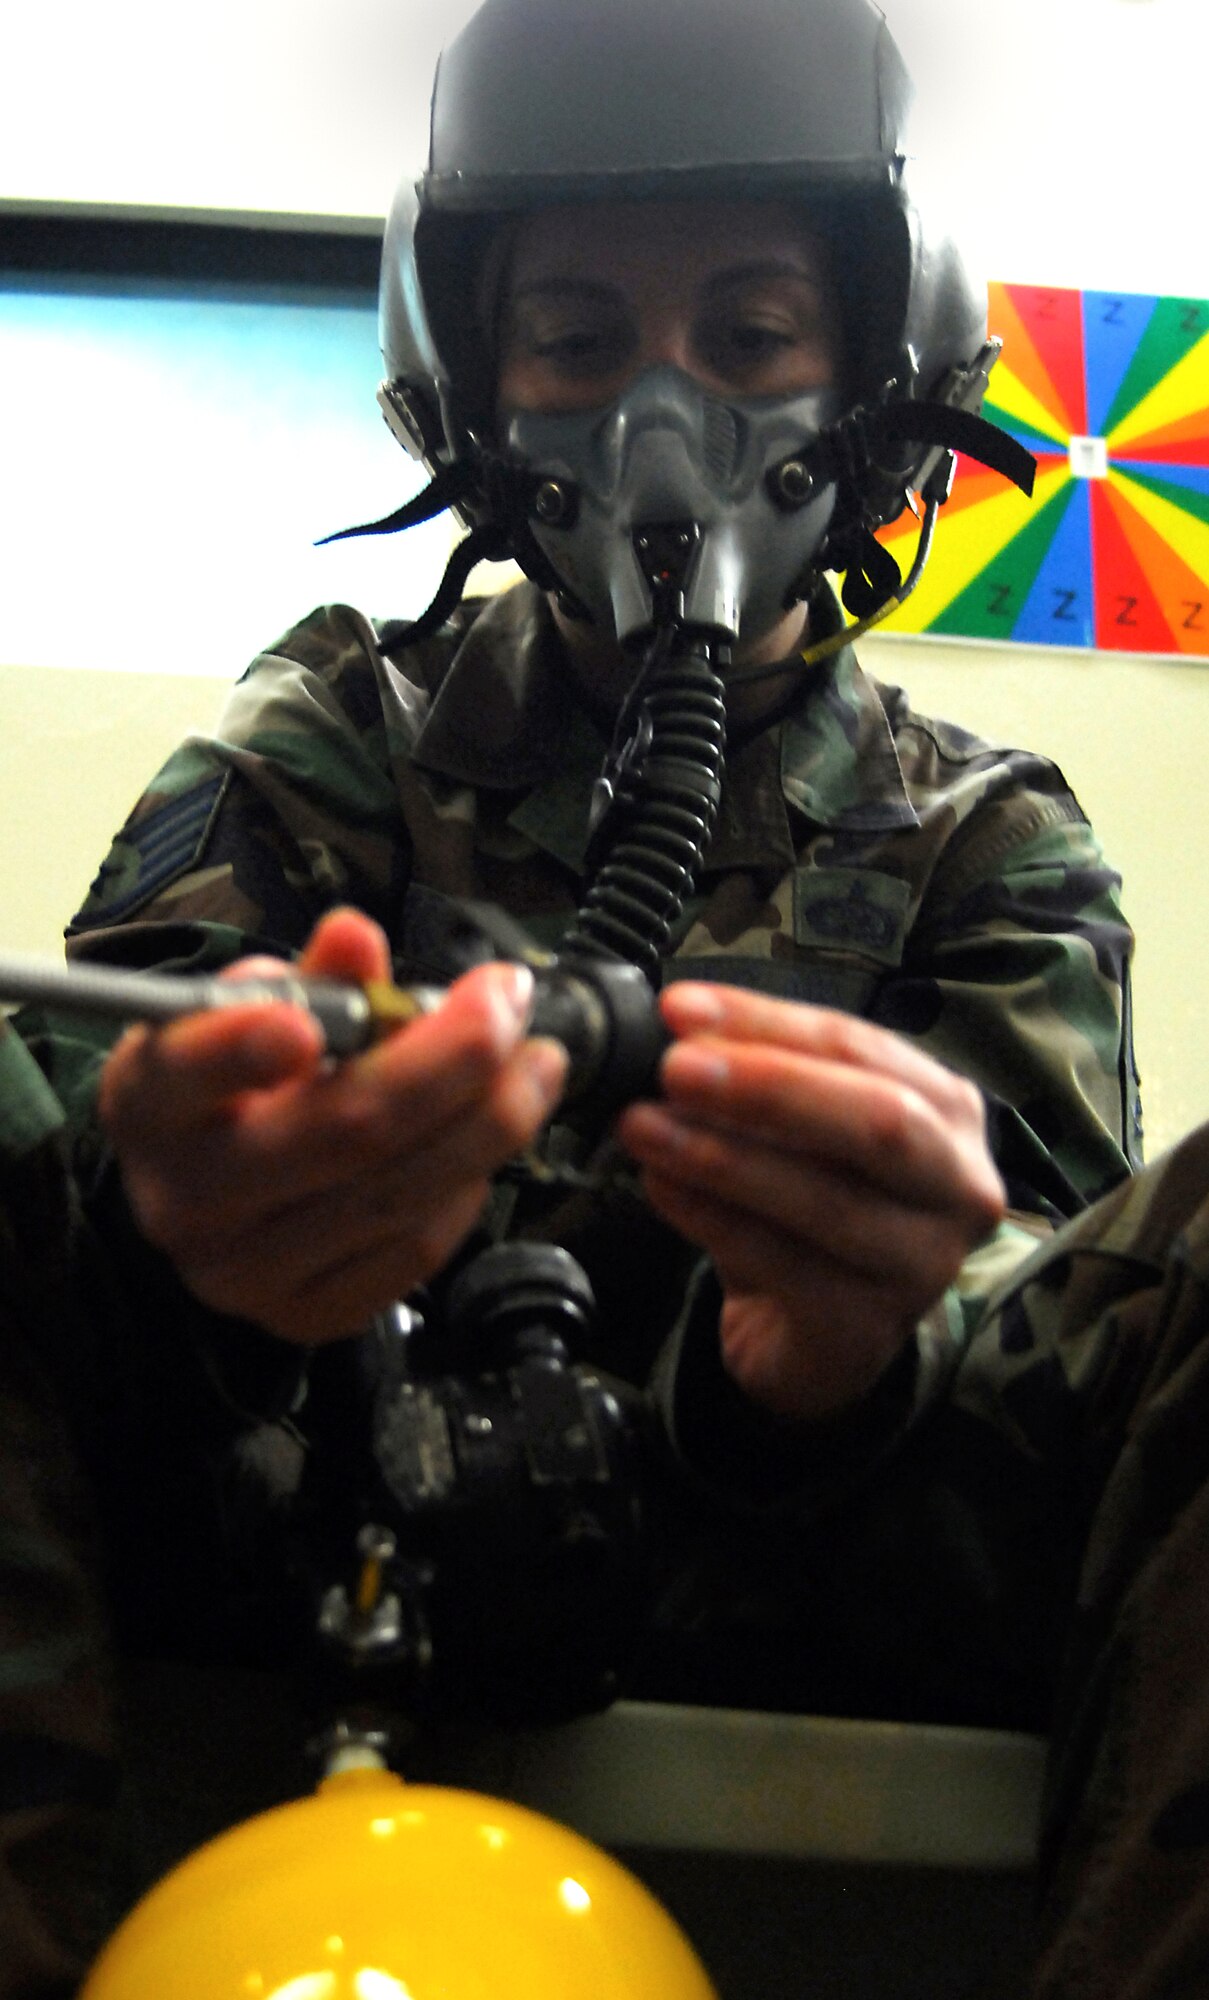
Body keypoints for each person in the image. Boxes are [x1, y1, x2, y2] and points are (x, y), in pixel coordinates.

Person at [10, 0, 1151, 1987]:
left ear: (879, 375)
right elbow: (97, 1110)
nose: (659, 413)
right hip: (305, 1490)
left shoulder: (983, 834)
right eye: (571, 338)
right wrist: (184, 1229)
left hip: (804, 1546)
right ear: (469, 388)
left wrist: (835, 1361)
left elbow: (1052, 1329)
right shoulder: (336, 724)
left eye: (750, 333)